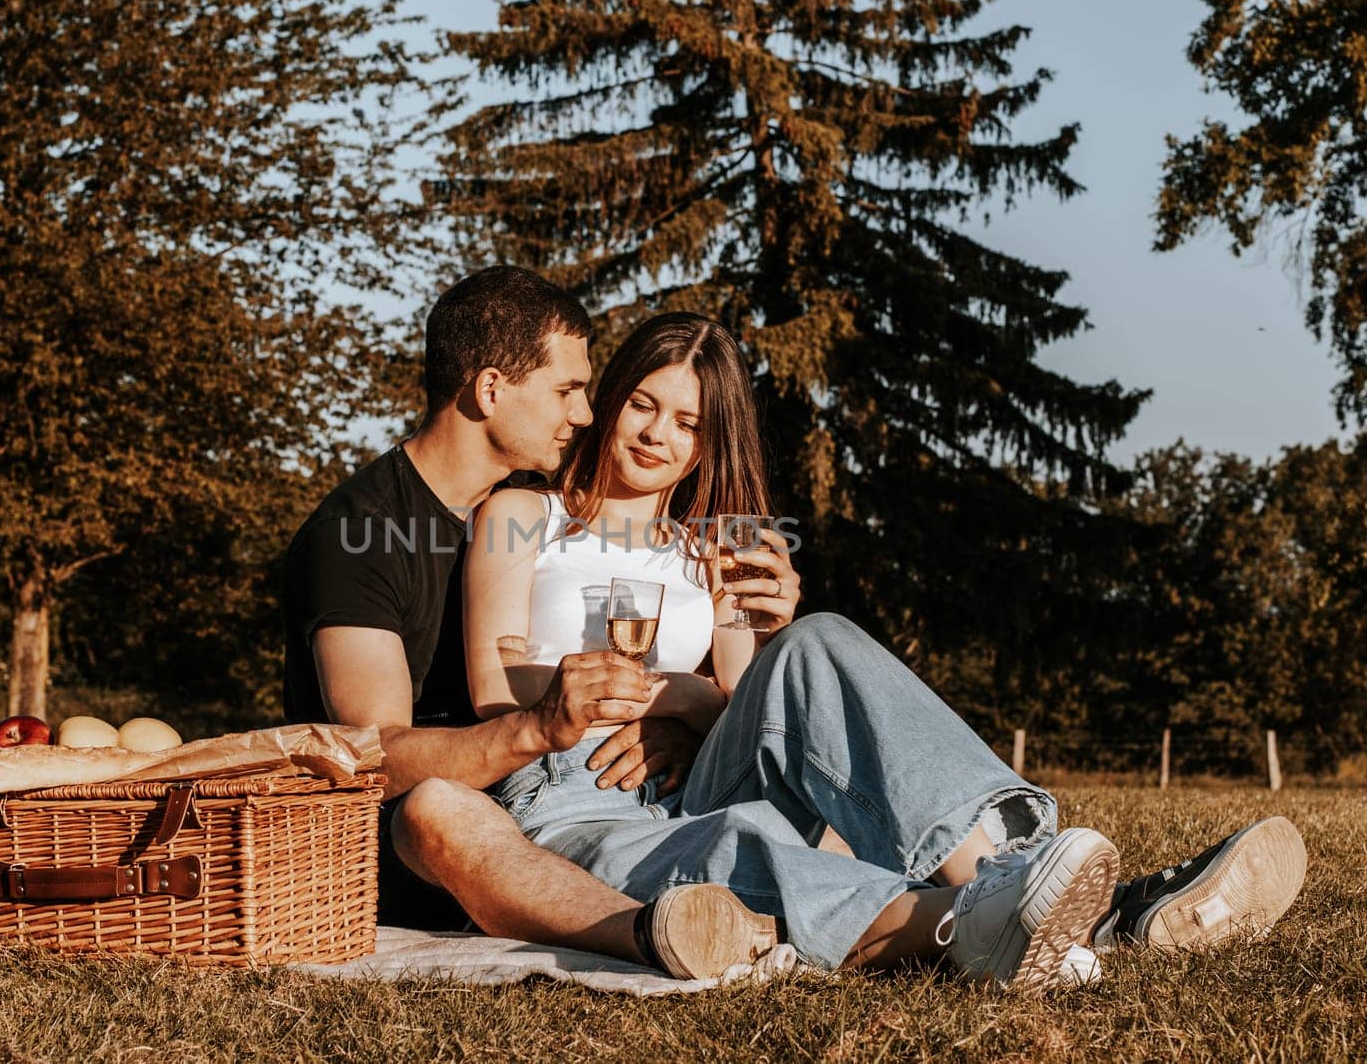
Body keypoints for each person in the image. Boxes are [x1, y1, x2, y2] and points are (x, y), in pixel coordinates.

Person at [461, 312, 1310, 986]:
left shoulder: (713, 546)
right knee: (734, 843)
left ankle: (1012, 870)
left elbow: (759, 707)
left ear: (709, 440)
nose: (657, 434)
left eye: (687, 420)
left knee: (816, 637)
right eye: (643, 403)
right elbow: (493, 687)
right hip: (570, 788)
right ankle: (1096, 917)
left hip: (694, 771)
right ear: (611, 398)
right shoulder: (526, 514)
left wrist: (705, 680)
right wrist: (645, 695)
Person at [284, 266, 782, 978]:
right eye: (567, 390)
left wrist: (670, 711)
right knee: (435, 806)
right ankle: (647, 934)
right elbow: (377, 756)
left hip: (558, 805)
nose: (585, 413)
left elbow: (722, 680)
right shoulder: (359, 534)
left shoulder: (517, 518)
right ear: (491, 390)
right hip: (418, 849)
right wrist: (543, 724)